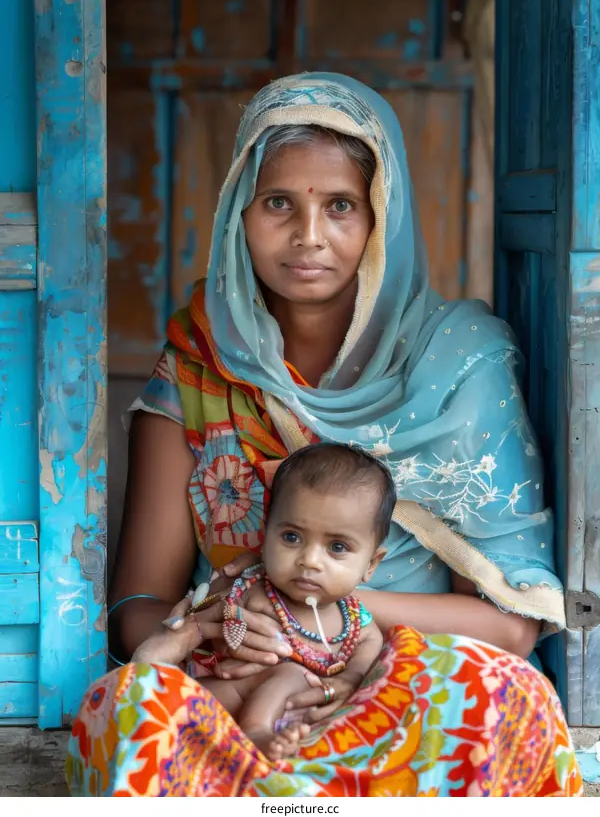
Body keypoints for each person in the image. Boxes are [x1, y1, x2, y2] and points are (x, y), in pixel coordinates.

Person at [66, 72, 582, 797]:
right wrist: (218, 622)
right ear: (238, 214)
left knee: (507, 700)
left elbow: (511, 627)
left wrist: (320, 619)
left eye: (340, 206)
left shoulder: (460, 362)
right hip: (241, 693)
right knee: (125, 705)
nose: (309, 236)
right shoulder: (198, 367)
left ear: (380, 218)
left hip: (408, 695)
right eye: (278, 203)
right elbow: (136, 609)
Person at [186, 443, 389, 761]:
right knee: (291, 673)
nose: (310, 560)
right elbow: (207, 620)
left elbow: (369, 647)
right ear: (266, 534)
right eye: (292, 537)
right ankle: (256, 731)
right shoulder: (250, 588)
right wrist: (226, 618)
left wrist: (350, 677)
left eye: (337, 547)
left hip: (300, 727)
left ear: (371, 565)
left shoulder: (357, 623)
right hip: (220, 704)